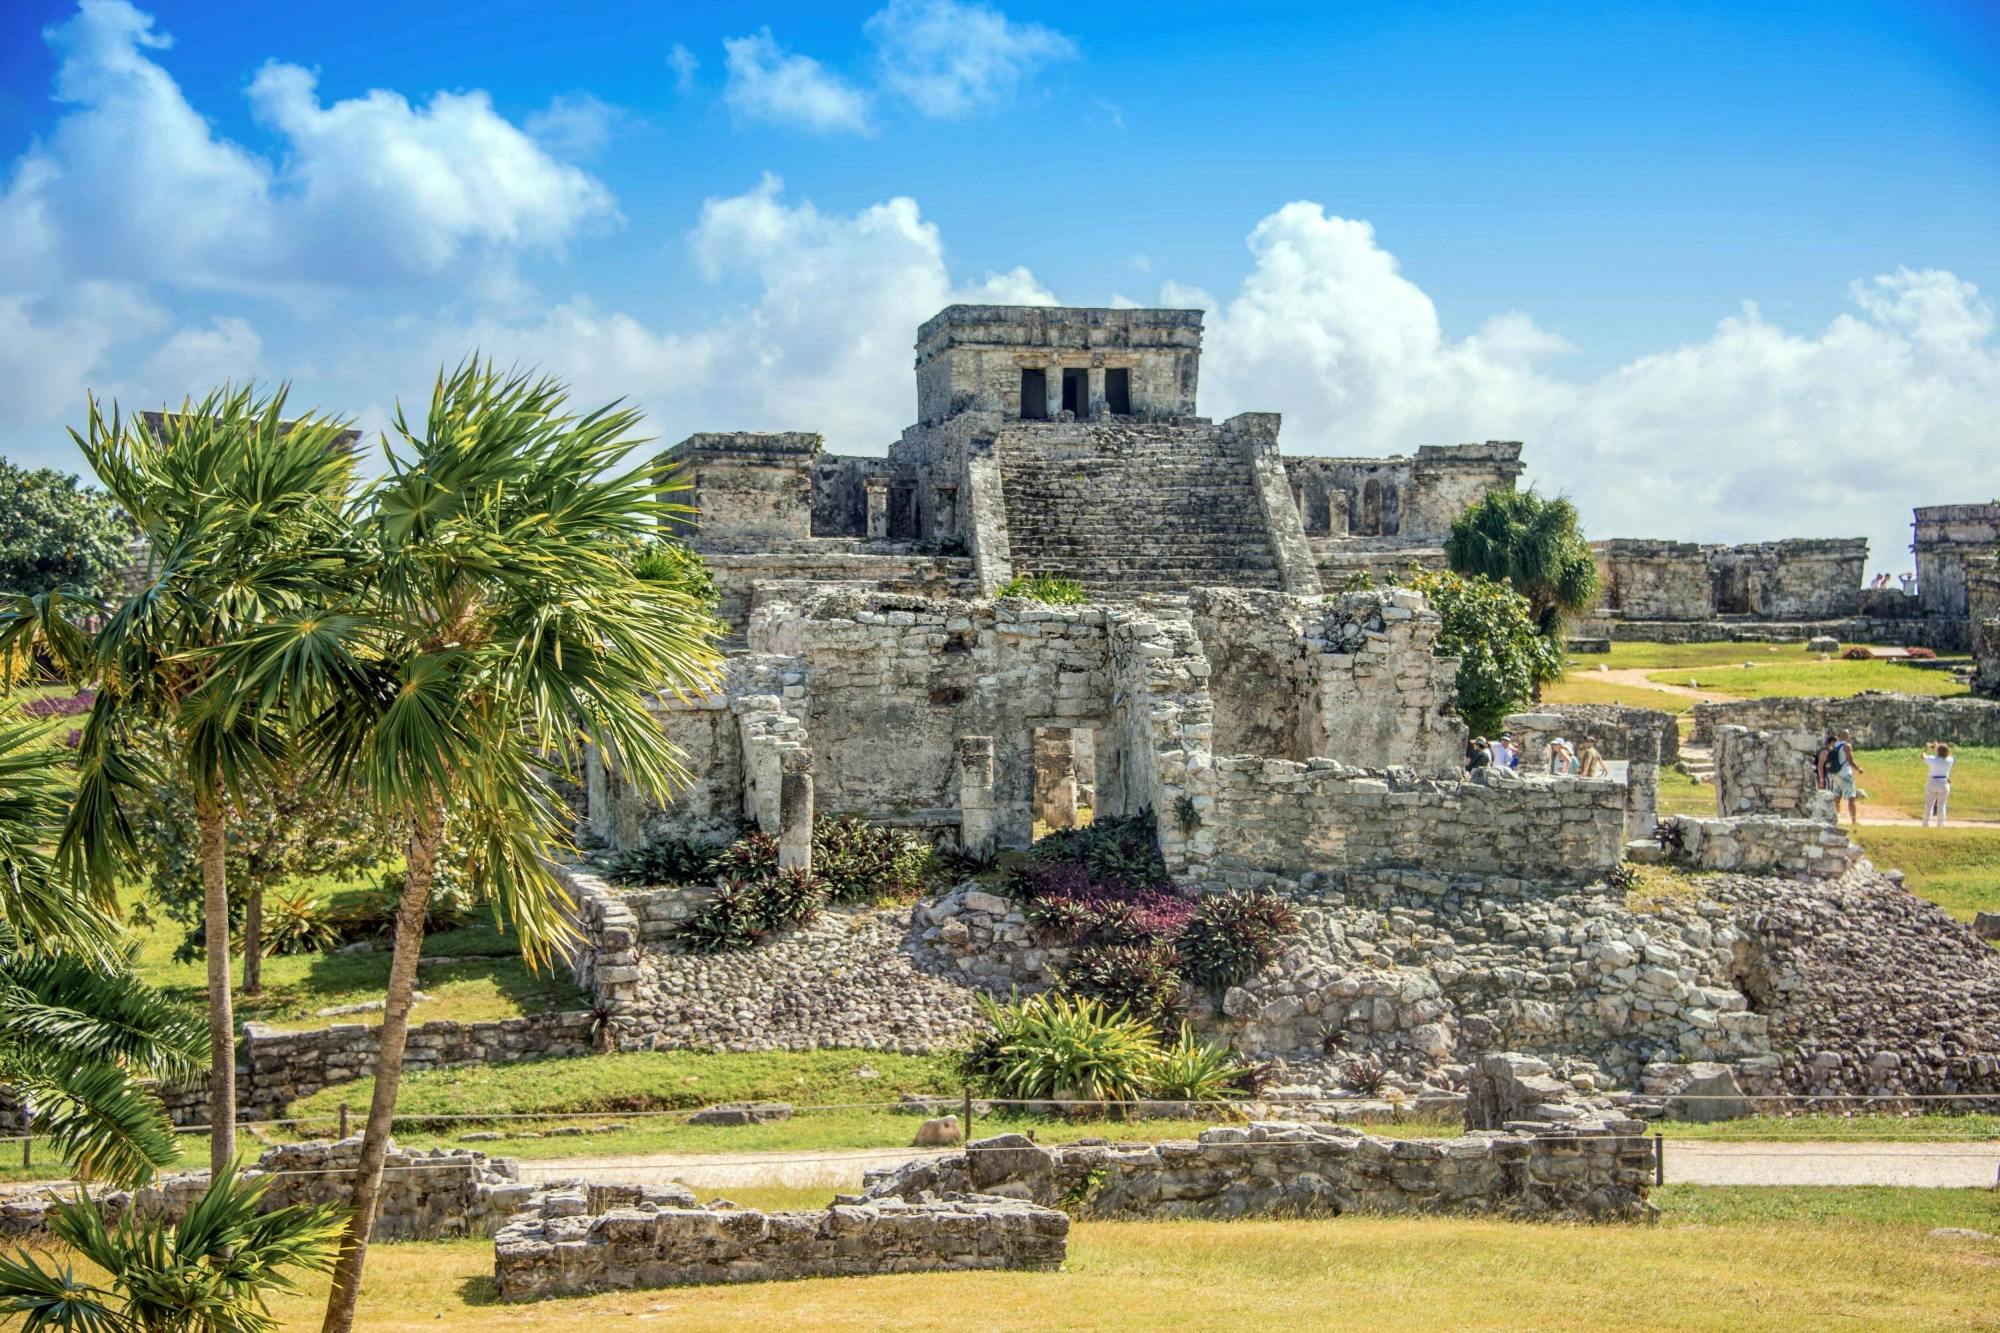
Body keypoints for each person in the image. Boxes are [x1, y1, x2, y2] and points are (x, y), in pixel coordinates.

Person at [1821, 730, 1864, 827]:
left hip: (1835, 774)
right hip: (1845, 774)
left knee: (1836, 798)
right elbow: (1850, 761)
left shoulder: (1834, 746)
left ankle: (1836, 819)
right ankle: (1853, 821)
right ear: (1847, 736)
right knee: (1851, 798)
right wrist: (1858, 769)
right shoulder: (1847, 746)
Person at [1923, 741, 1954, 828]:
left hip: (1932, 782)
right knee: (1942, 805)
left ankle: (1926, 824)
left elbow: (1922, 756)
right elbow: (1947, 755)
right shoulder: (1949, 760)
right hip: (1944, 782)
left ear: (1938, 751)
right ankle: (1941, 824)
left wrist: (1927, 748)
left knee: (1929, 804)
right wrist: (1939, 748)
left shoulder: (1932, 759)